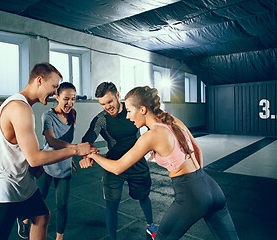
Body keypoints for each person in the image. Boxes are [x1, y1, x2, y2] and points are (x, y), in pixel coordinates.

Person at [87, 86, 240, 240]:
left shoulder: (151, 136)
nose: (127, 116)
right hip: (210, 186)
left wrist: (93, 155)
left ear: (142, 110)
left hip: (191, 195)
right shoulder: (170, 120)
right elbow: (197, 149)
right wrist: (198, 181)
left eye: (129, 111)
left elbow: (118, 168)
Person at [0, 63, 95, 240]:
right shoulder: (20, 108)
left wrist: (29, 167)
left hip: (20, 182)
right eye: (54, 87)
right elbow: (35, 158)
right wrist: (76, 149)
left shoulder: (24, 107)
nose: (55, 93)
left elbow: (21, 149)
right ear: (39, 80)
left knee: (41, 216)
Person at [79, 82, 157, 240]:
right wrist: (85, 156)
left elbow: (151, 122)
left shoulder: (131, 109)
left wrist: (153, 144)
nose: (107, 106)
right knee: (111, 204)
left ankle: (151, 227)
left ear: (118, 96)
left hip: (137, 161)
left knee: (143, 196)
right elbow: (87, 140)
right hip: (114, 163)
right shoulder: (101, 119)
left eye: (110, 102)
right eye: (102, 104)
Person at [17, 82, 78, 240]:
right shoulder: (47, 116)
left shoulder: (73, 114)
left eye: (73, 99)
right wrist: (74, 149)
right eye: (66, 98)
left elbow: (66, 139)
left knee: (62, 205)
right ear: (57, 97)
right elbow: (51, 141)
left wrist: (69, 156)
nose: (70, 103)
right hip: (47, 165)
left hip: (64, 167)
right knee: (38, 199)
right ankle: (24, 220)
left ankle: (59, 238)